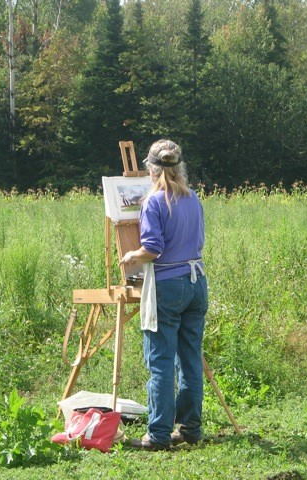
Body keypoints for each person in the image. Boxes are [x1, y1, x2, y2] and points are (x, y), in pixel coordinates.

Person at [120, 139, 208, 450]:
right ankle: (190, 428)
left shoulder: (154, 201)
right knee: (190, 360)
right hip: (197, 282)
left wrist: (131, 257)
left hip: (168, 286)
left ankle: (158, 435)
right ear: (179, 167)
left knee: (160, 361)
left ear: (151, 169)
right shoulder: (192, 198)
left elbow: (153, 249)